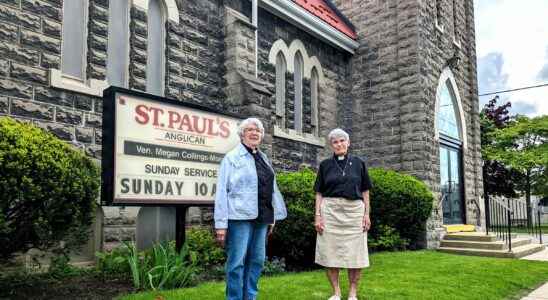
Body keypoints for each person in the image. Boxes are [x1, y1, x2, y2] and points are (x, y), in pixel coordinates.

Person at [214, 117, 287, 300]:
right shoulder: (231, 158)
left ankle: (250, 297)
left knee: (256, 261)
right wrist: (221, 224)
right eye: (250, 130)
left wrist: (273, 217)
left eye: (258, 130)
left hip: (262, 218)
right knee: (237, 263)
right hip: (239, 218)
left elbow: (270, 190)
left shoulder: (263, 159)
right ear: (242, 134)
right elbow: (222, 191)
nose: (255, 133)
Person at [314, 128, 372, 300]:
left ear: (348, 143)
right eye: (335, 142)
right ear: (331, 145)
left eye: (341, 141)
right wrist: (317, 215)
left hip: (354, 212)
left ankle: (353, 292)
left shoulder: (359, 163)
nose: (339, 144)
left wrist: (367, 214)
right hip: (330, 212)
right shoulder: (325, 165)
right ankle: (336, 292)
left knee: (356, 254)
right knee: (330, 252)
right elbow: (319, 192)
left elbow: (365, 191)